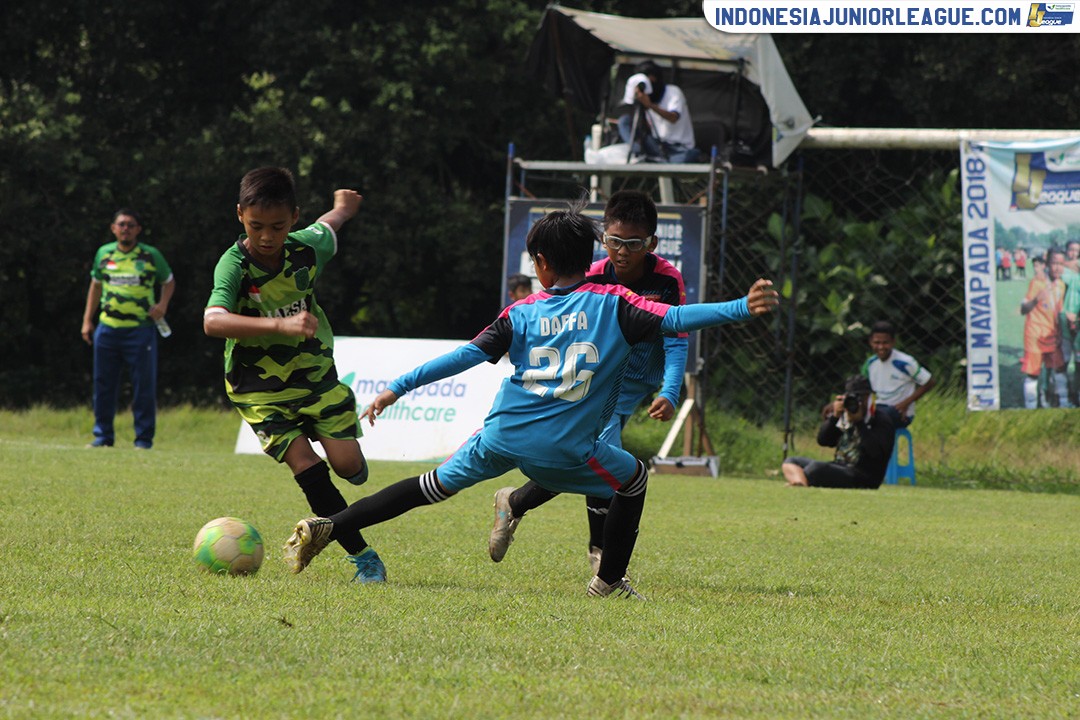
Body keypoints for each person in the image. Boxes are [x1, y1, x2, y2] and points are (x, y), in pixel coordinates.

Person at [282, 203, 779, 599]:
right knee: (632, 479)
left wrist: (398, 387)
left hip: (499, 435)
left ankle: (329, 526)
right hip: (566, 448)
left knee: (427, 486)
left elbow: (463, 357)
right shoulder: (617, 304)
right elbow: (677, 321)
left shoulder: (520, 312)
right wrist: (742, 306)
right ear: (593, 257)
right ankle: (607, 582)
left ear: (541, 264)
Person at [487, 190, 688, 575]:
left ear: (652, 244)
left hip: (635, 386)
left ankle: (514, 502)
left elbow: (676, 339)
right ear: (603, 241)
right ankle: (601, 556)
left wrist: (670, 389)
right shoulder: (593, 276)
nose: (623, 252)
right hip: (596, 381)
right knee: (598, 458)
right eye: (614, 242)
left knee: (583, 458)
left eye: (634, 244)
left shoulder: (666, 279)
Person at [203, 166, 386, 583]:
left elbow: (330, 227)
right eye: (256, 226)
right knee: (305, 465)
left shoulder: (306, 247)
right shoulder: (233, 265)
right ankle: (364, 558)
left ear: (294, 218)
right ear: (239, 215)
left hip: (314, 374)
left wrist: (343, 208)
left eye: (278, 226)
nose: (267, 237)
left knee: (349, 468)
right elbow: (213, 321)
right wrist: (278, 326)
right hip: (258, 388)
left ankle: (339, 452)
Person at [81, 209, 175, 449]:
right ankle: (103, 437)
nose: (125, 228)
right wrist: (87, 320)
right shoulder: (104, 253)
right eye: (121, 224)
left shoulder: (150, 255)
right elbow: (95, 285)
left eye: (130, 225)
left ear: (138, 230)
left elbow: (169, 281)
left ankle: (143, 440)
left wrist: (162, 305)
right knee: (103, 384)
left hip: (140, 330)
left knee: (143, 385)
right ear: (113, 228)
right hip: (108, 329)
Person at [782, 375, 896, 489]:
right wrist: (834, 418)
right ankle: (800, 484)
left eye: (861, 397)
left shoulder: (881, 419)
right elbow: (823, 441)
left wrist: (859, 423)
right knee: (791, 461)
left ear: (868, 397)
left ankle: (801, 480)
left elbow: (876, 453)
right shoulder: (844, 415)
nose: (858, 402)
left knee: (817, 468)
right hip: (840, 467)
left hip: (862, 477)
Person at [617, 60, 702, 164]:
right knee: (624, 121)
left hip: (679, 149)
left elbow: (673, 118)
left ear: (653, 79)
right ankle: (640, 153)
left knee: (686, 158)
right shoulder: (644, 96)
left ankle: (657, 162)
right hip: (657, 145)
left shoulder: (673, 91)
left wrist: (650, 106)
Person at [1020, 248, 1071, 408]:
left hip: (1053, 336)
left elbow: (1059, 311)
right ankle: (1031, 407)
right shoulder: (1037, 282)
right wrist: (1035, 300)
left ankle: (1064, 403)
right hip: (1035, 336)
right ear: (1047, 263)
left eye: (1061, 264)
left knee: (1060, 369)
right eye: (1054, 263)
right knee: (1033, 373)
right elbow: (1023, 309)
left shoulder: (1061, 285)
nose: (1057, 267)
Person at [861, 320, 935, 428]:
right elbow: (862, 387)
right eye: (877, 343)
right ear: (870, 342)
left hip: (899, 412)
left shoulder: (905, 362)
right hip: (877, 408)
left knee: (877, 418)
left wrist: (905, 404)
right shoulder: (870, 363)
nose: (881, 347)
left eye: (885, 343)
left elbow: (930, 382)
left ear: (893, 342)